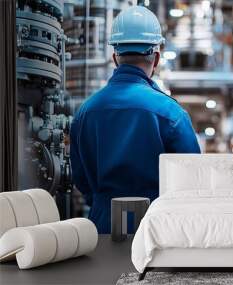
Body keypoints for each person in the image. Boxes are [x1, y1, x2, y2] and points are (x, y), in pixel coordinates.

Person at [70, 6, 200, 233]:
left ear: (114, 57)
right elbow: (192, 180)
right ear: (156, 58)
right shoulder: (170, 113)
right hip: (157, 229)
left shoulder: (85, 112)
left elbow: (81, 179)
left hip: (102, 227)